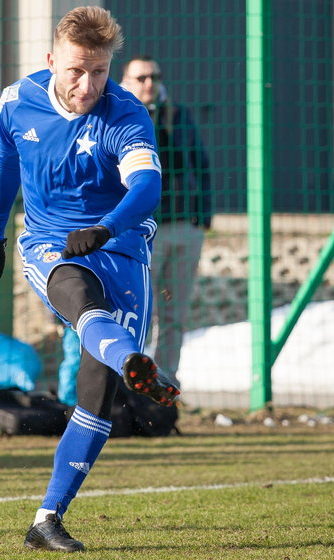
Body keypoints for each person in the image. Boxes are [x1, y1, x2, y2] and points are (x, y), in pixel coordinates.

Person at [0, 6, 179, 552]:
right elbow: (4, 166)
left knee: (94, 395)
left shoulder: (127, 114)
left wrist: (107, 228)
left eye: (100, 72)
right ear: (51, 62)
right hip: (51, 244)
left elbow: (147, 190)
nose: (87, 85)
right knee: (75, 292)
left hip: (123, 248)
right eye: (75, 71)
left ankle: (46, 520)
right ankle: (133, 359)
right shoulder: (17, 102)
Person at [121, 55, 212, 384]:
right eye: (141, 78)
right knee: (137, 311)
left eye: (154, 77)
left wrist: (202, 218)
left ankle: (165, 383)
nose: (149, 83)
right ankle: (130, 382)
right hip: (143, 231)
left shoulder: (179, 115)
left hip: (182, 226)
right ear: (127, 82)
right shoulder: (121, 115)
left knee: (174, 314)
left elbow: (200, 165)